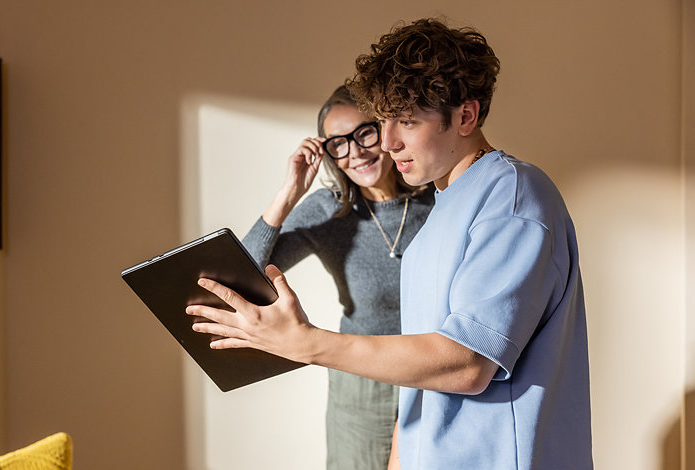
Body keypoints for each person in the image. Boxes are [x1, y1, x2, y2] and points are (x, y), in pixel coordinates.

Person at [188, 18, 592, 470]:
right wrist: (402, 455)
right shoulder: (441, 210)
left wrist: (306, 343)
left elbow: (466, 364)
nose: (386, 141)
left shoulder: (512, 195)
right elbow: (423, 381)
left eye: (406, 121)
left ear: (466, 116)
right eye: (382, 121)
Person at [241, 85, 434, 470]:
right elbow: (242, 275)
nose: (355, 152)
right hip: (360, 386)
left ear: (387, 128)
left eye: (365, 133)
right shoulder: (329, 212)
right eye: (338, 145)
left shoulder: (438, 200)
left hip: (432, 374)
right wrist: (289, 193)